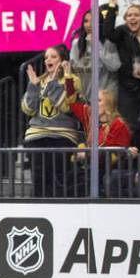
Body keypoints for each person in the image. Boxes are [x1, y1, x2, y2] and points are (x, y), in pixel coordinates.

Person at [21, 45, 84, 198]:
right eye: (46, 57)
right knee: (39, 178)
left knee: (57, 177)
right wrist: (33, 87)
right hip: (37, 134)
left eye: (53, 56)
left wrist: (55, 83)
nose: (48, 60)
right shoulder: (39, 81)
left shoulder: (71, 79)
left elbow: (66, 106)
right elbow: (27, 109)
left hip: (62, 134)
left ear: (63, 61)